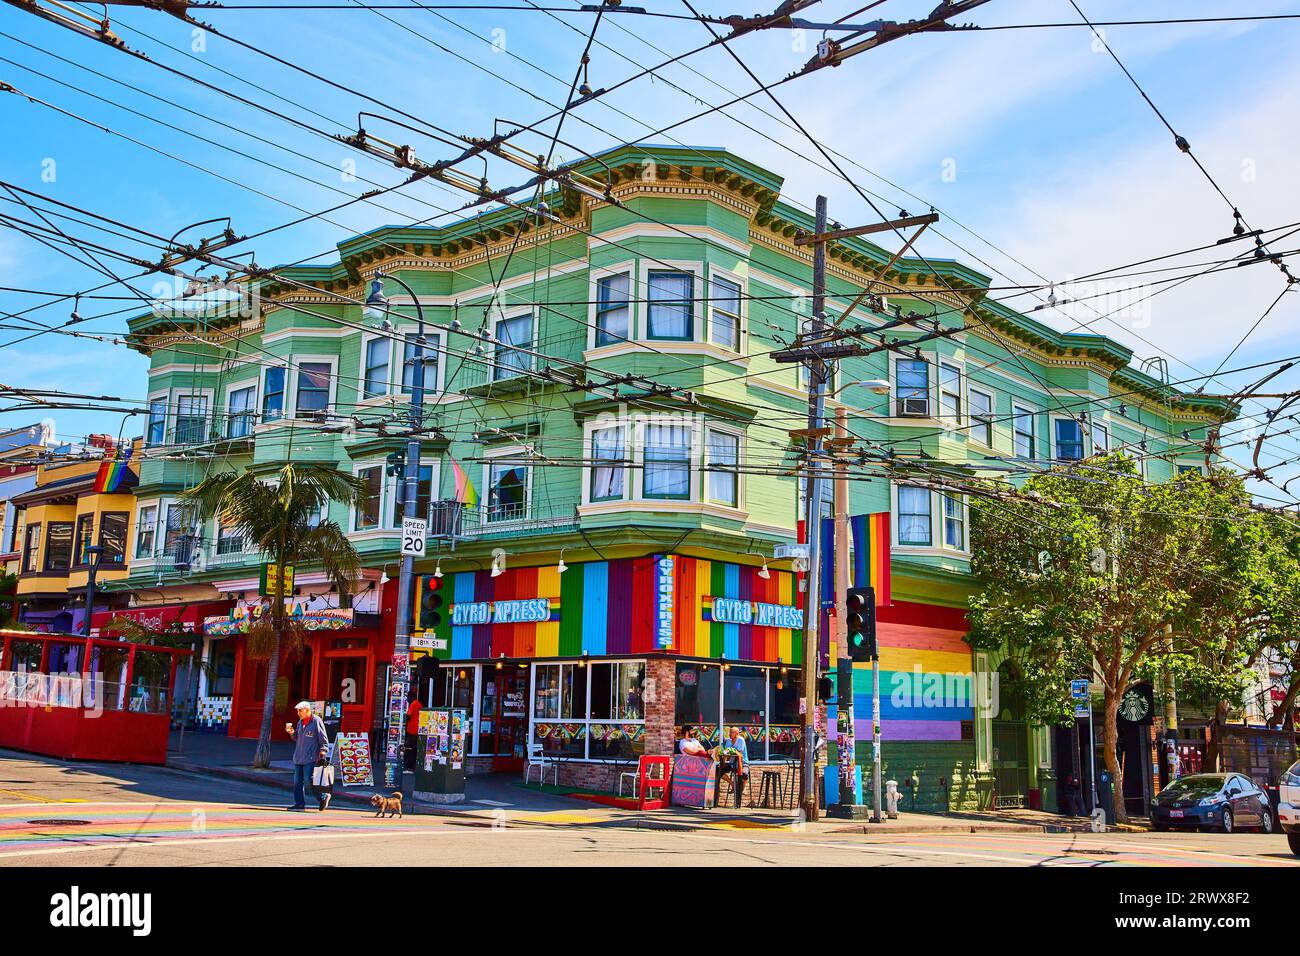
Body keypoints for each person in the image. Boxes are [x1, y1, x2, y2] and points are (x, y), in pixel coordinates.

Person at [286, 701, 330, 811]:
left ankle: (323, 797)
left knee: (308, 780)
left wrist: (323, 750)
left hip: (310, 757)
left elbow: (323, 738)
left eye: (300, 711)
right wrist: (291, 733)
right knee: (297, 782)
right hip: (299, 756)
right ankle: (299, 804)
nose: (298, 713)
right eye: (298, 711)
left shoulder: (316, 721)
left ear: (307, 710)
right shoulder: (300, 723)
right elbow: (297, 737)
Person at [715, 727, 749, 808]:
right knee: (717, 771)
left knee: (744, 774)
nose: (730, 734)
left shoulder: (741, 740)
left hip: (742, 763)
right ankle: (733, 784)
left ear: (737, 733)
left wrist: (730, 751)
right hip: (731, 764)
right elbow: (726, 753)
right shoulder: (728, 741)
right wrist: (722, 762)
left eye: (732, 732)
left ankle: (739, 792)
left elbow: (739, 753)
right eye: (730, 732)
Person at [405, 689, 422, 771]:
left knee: (409, 749)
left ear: (411, 697)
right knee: (415, 749)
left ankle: (410, 767)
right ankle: (414, 766)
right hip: (417, 730)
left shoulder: (413, 704)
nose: (407, 699)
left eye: (408, 697)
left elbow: (408, 716)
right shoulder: (419, 704)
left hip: (412, 731)